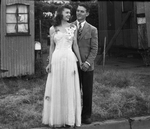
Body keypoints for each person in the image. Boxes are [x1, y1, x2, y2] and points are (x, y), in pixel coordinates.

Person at [42, 4, 82, 128]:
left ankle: (69, 119)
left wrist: (79, 61)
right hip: (57, 58)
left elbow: (75, 45)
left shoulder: (73, 27)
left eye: (70, 13)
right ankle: (56, 117)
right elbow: (52, 47)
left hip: (70, 58)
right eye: (66, 13)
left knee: (69, 87)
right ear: (60, 14)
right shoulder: (53, 29)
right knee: (57, 87)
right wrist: (49, 63)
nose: (69, 15)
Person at [74, 2, 98, 124]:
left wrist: (87, 63)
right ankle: (74, 114)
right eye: (78, 10)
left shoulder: (92, 29)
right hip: (73, 65)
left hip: (87, 67)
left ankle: (86, 115)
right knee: (74, 91)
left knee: (87, 91)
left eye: (82, 11)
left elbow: (94, 49)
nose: (79, 13)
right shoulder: (70, 26)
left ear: (87, 13)